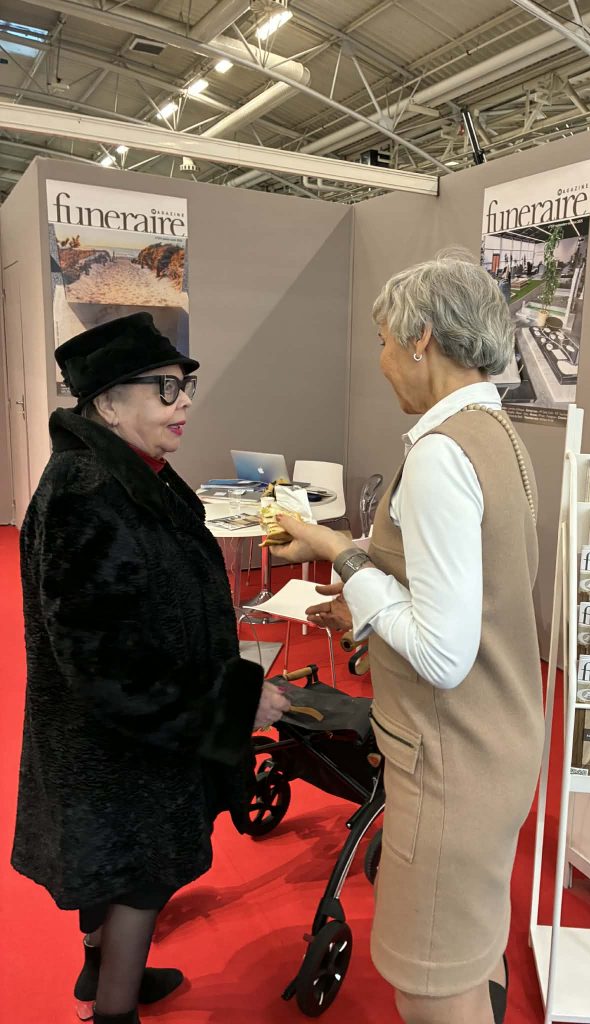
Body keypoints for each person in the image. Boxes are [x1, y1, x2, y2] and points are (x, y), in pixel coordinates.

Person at [271, 251, 544, 1024]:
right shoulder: (496, 434)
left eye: (386, 341)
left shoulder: (439, 454)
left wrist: (342, 554)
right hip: (498, 740)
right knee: (470, 949)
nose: (383, 360)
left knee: (432, 983)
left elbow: (441, 655)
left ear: (423, 337)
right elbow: (468, 596)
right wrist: (364, 597)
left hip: (451, 758)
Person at [11, 312, 289, 1024]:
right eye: (165, 388)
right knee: (139, 873)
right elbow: (104, 665)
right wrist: (233, 706)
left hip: (129, 734)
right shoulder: (88, 493)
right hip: (119, 742)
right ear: (108, 403)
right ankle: (113, 1009)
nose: (184, 401)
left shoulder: (126, 473)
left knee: (119, 866)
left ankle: (102, 970)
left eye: (185, 385)